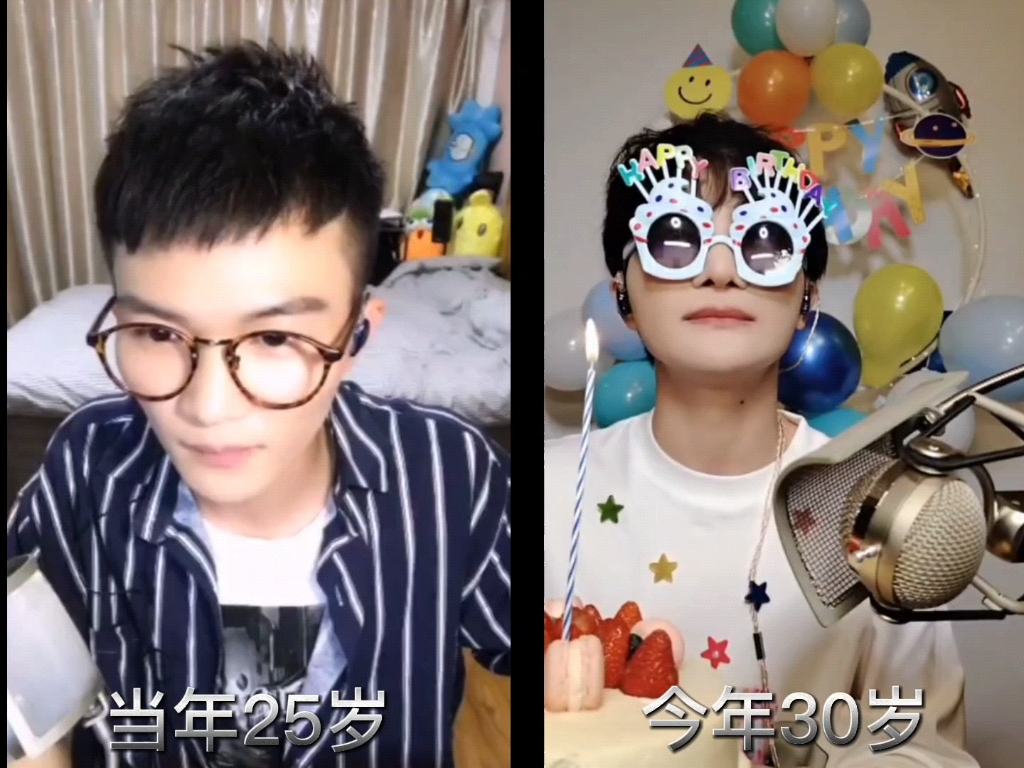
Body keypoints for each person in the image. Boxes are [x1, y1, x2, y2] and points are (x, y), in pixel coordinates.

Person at [8, 42, 511, 768]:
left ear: (356, 337)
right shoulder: (89, 465)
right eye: (157, 334)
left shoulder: (450, 474)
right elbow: (22, 667)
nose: (209, 407)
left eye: (275, 338)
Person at [544, 113, 977, 767]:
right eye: (674, 239)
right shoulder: (545, 493)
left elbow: (922, 746)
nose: (721, 271)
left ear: (807, 297)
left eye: (765, 244)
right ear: (622, 296)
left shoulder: (881, 510)